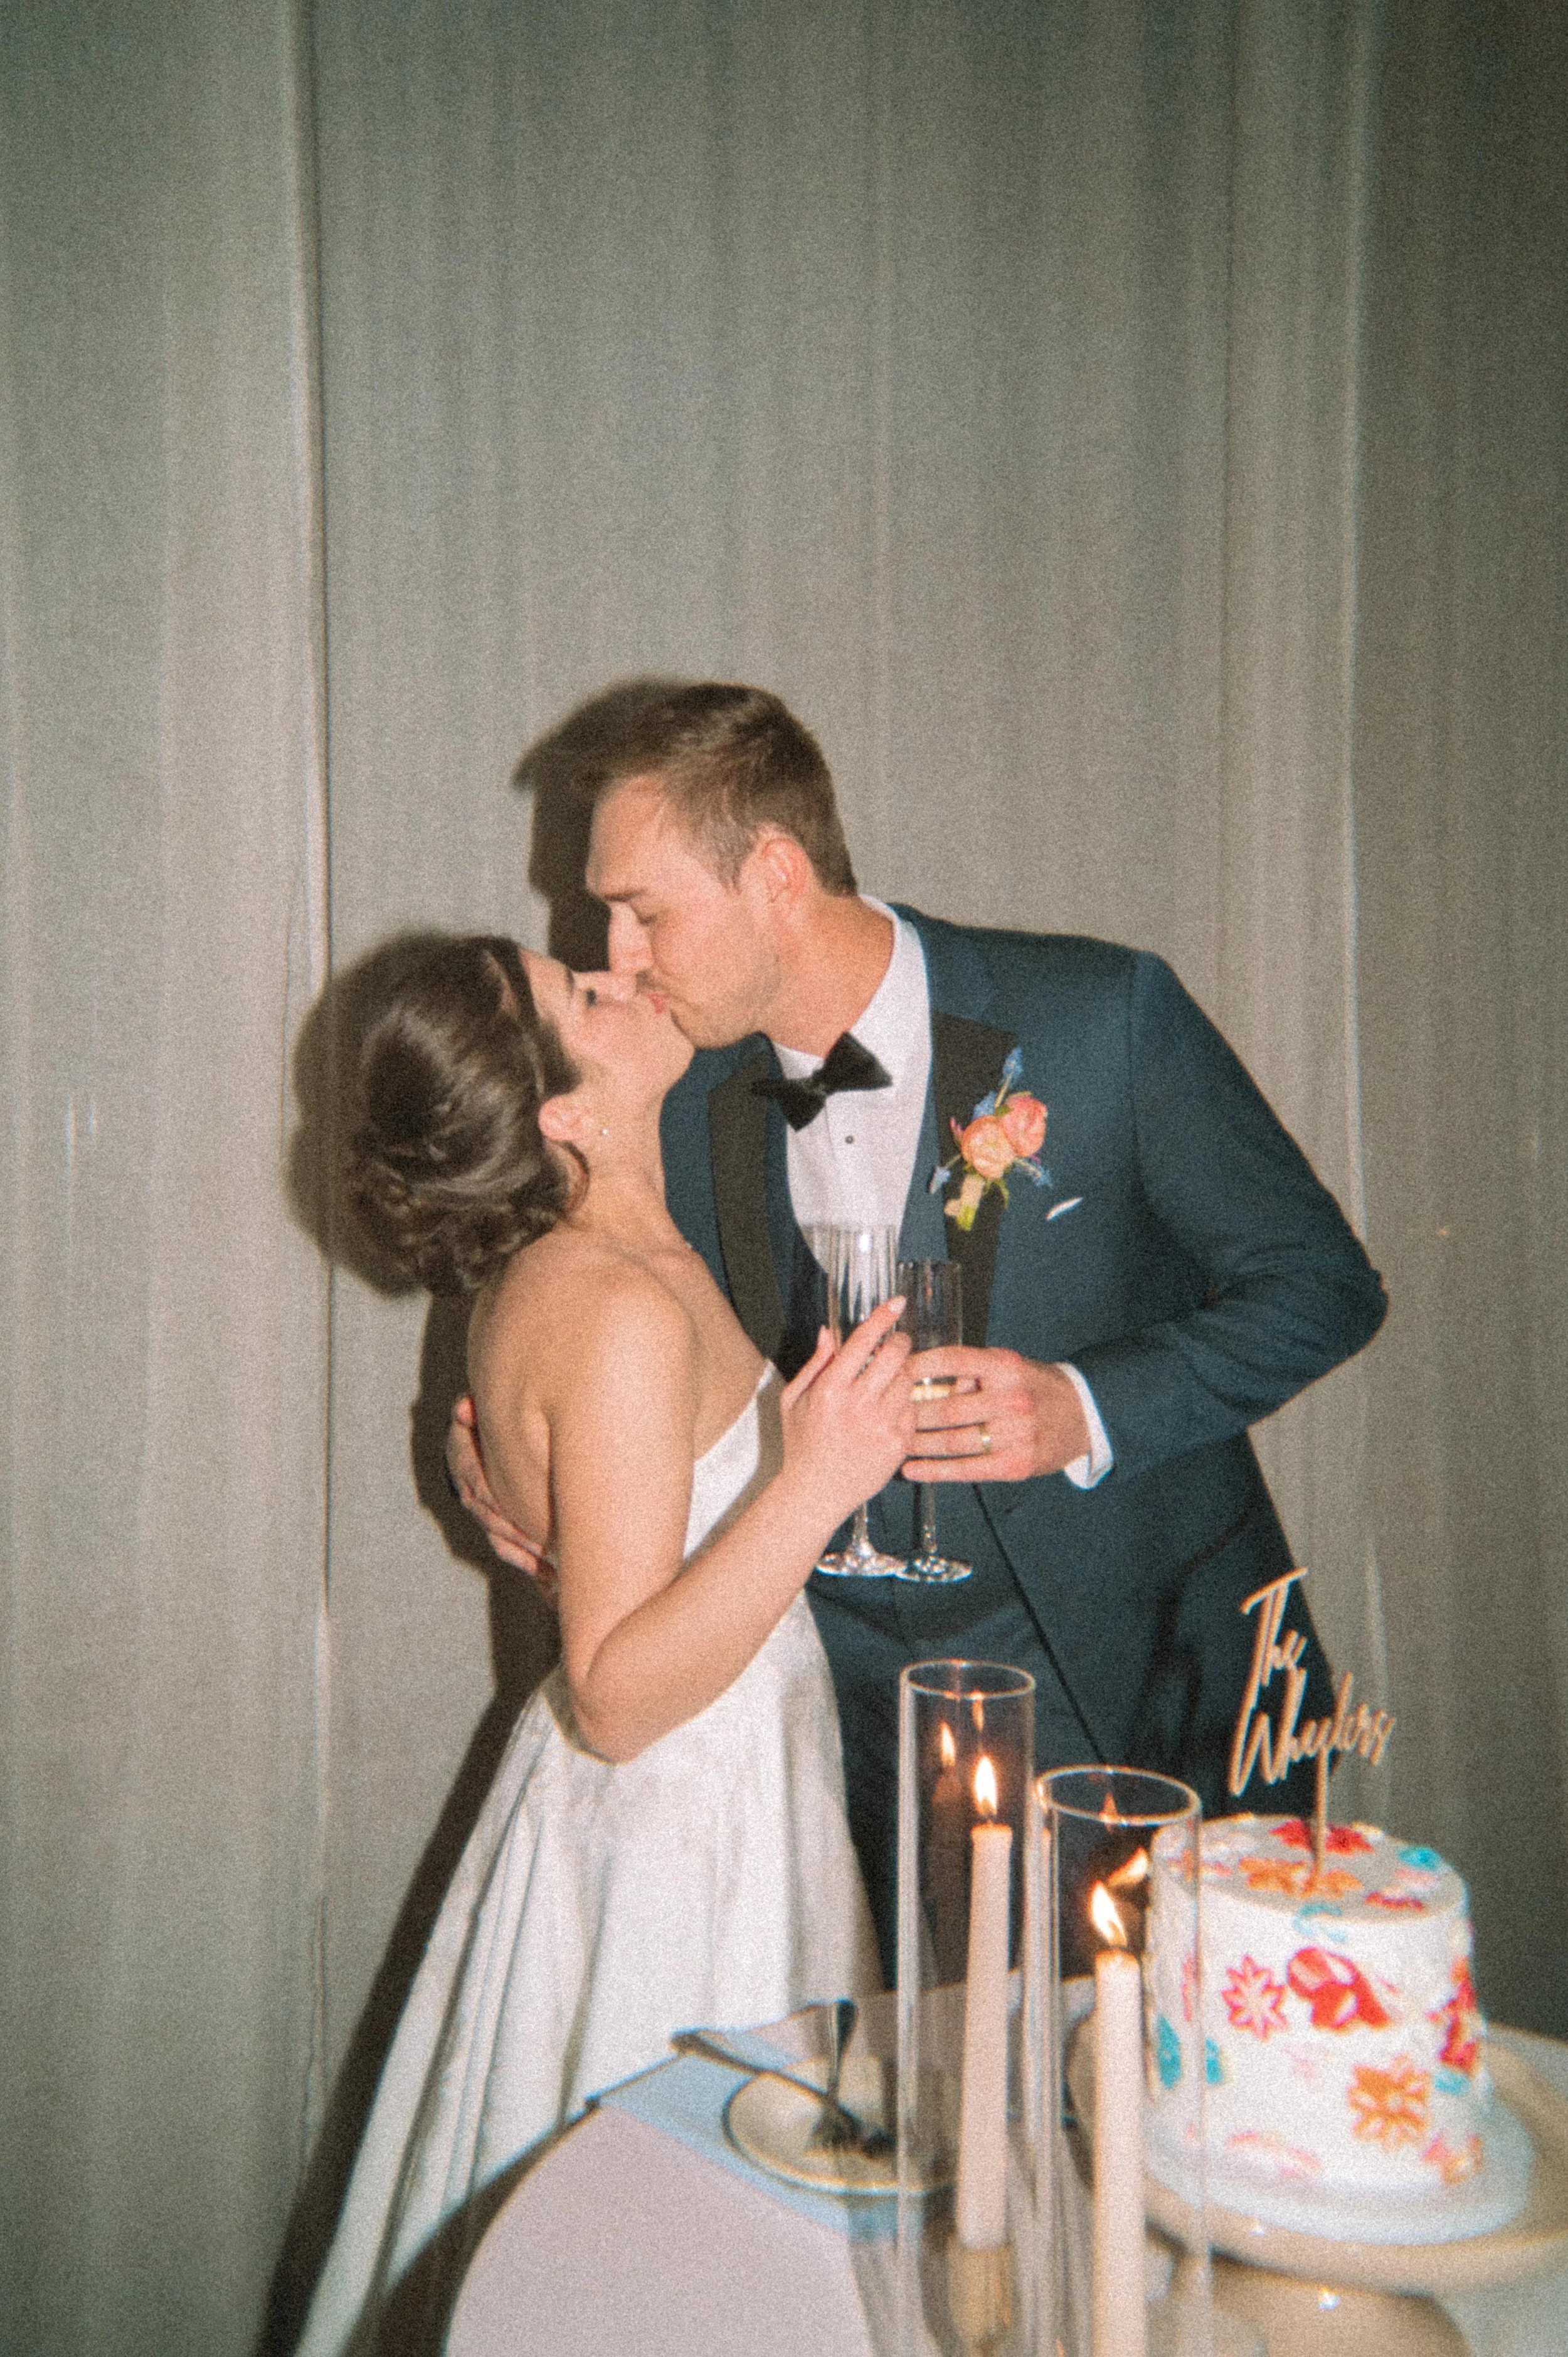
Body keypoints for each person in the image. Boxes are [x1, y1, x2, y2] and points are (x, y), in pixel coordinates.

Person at [450, 682, 1389, 1964]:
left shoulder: (1101, 1017)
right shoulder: (666, 1091)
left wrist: (1085, 1406)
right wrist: (493, 1460)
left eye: (641, 911)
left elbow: (1323, 1286)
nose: (615, 954)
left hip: (1122, 1681)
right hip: (835, 1721)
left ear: (775, 872)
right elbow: (576, 1323)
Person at [297, 931, 901, 2357]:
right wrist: (818, 1475)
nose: (623, 978)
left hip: (703, 1796)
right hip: (678, 1844)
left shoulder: (601, 1257)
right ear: (562, 1113)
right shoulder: (614, 1299)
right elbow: (619, 1694)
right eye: (584, 994)